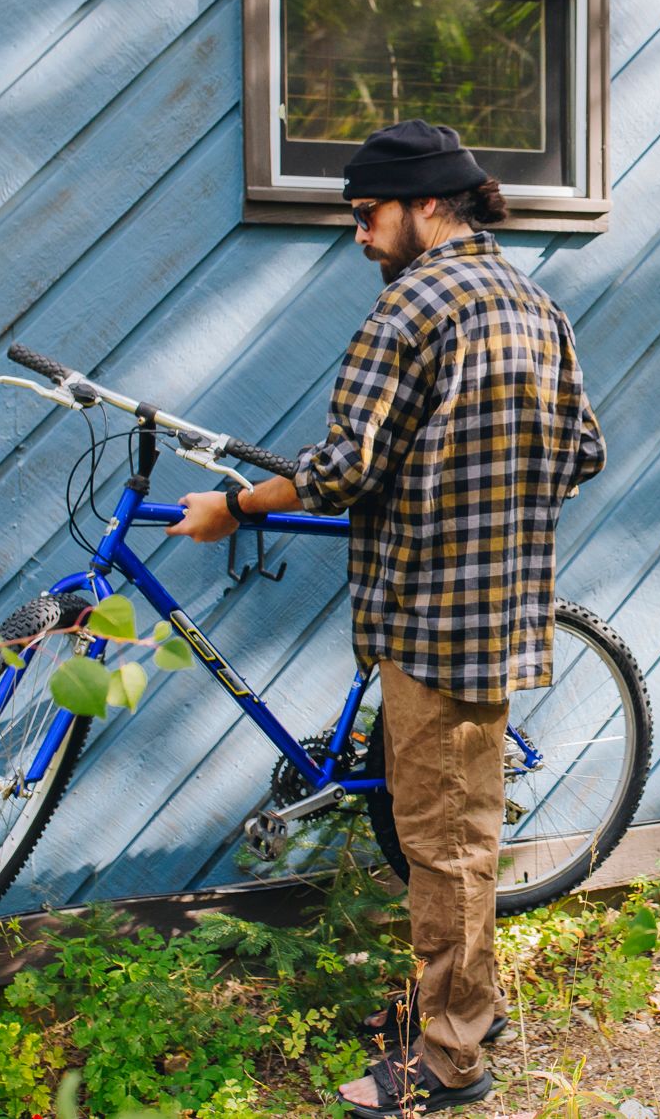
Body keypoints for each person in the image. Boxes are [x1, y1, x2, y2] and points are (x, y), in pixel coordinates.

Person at [165, 119, 605, 1117]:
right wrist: (488, 495)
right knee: (442, 829)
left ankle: (450, 1058)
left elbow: (340, 471)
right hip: (496, 600)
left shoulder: (408, 309)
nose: (358, 234)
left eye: (367, 214)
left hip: (430, 616)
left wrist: (229, 507)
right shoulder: (536, 306)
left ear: (423, 207)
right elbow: (581, 451)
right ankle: (455, 1003)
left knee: (442, 841)